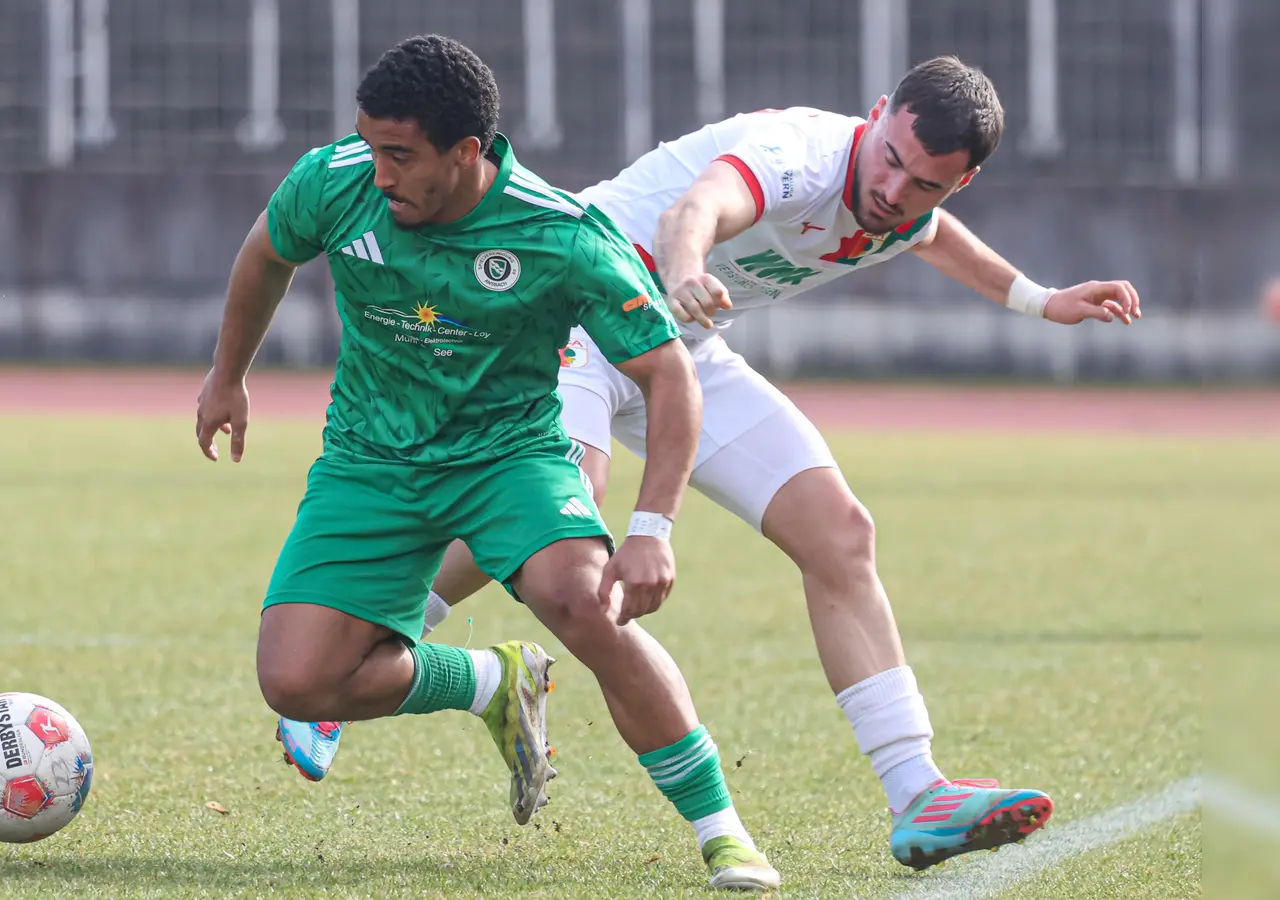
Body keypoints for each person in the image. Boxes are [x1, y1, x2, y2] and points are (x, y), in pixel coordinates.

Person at [278, 55, 1144, 873]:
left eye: (923, 181)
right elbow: (696, 207)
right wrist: (686, 271)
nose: (892, 191)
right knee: (565, 512)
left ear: (958, 181)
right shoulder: (798, 156)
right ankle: (362, 659)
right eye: (889, 161)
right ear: (874, 118)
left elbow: (928, 234)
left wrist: (1037, 299)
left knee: (840, 532)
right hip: (572, 317)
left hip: (681, 349)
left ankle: (917, 792)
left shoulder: (908, 204)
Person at [199, 34, 781, 891]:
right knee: (296, 682)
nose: (379, 172)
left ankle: (723, 831)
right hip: (371, 460)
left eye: (399, 155)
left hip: (507, 458)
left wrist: (653, 527)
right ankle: (490, 680)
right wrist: (227, 376)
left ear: (466, 153)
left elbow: (667, 373)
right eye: (369, 146)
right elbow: (266, 252)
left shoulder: (560, 236)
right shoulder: (335, 182)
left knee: (587, 604)